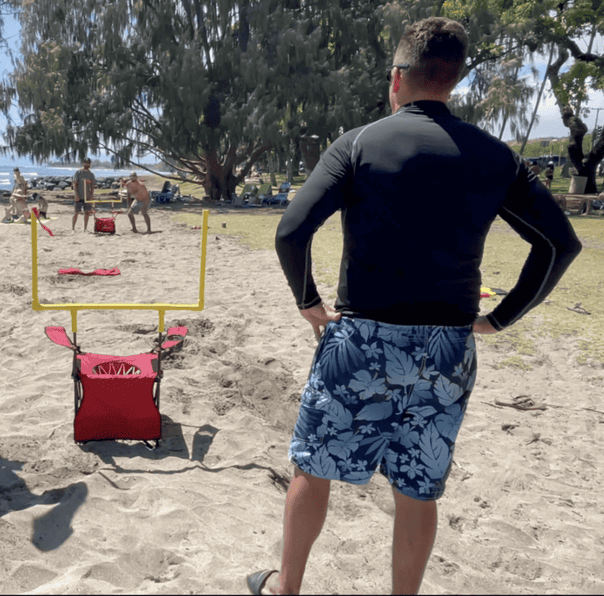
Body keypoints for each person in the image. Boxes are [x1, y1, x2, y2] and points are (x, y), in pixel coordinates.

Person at [249, 18, 582, 595]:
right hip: (447, 349)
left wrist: (309, 303)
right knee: (418, 488)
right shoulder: (495, 156)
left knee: (313, 467)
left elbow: (291, 231)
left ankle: (287, 589)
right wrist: (500, 318)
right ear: (452, 80)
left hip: (361, 342)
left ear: (397, 78)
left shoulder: (357, 144)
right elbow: (559, 244)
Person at [72, 157, 96, 231]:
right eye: (86, 163)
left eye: (88, 163)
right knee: (76, 212)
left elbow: (93, 186)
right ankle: (73, 229)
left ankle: (85, 228)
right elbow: (74, 184)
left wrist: (91, 196)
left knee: (87, 213)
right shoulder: (78, 173)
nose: (87, 164)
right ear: (83, 163)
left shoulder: (91, 174)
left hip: (87, 196)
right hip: (79, 196)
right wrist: (76, 195)